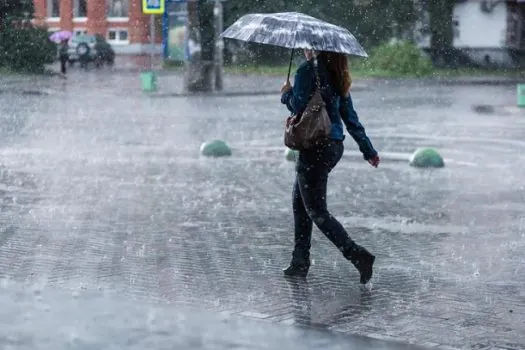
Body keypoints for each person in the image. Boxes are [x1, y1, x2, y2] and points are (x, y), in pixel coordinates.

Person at [280, 49, 380, 284]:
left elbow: (297, 105)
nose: (305, 49)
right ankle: (299, 261)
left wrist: (286, 94)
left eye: (308, 45)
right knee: (300, 204)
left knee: (316, 211)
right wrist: (369, 150)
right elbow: (350, 117)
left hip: (314, 144)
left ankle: (358, 256)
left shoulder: (307, 71)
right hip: (333, 146)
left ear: (315, 48)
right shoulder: (338, 72)